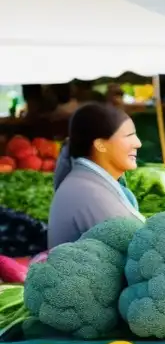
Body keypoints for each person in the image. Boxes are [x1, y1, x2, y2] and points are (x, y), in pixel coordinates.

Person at [48, 103, 144, 249]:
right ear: (100, 145)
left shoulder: (87, 182)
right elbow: (139, 248)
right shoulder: (87, 192)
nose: (138, 143)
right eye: (129, 136)